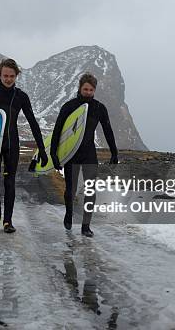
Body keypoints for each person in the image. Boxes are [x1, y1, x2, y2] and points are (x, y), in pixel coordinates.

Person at [0, 59, 48, 233]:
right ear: (0, 74)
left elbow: (33, 123)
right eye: (5, 75)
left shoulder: (21, 96)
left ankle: (8, 221)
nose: (8, 79)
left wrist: (42, 148)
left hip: (12, 144)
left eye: (11, 76)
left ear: (16, 76)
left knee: (10, 183)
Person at [51, 73, 118, 237]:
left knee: (90, 191)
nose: (88, 92)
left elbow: (107, 130)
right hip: (71, 153)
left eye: (91, 90)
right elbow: (58, 130)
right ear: (80, 88)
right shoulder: (69, 106)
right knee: (71, 189)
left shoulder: (99, 108)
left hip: (89, 153)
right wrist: (54, 154)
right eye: (85, 89)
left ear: (94, 90)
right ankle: (69, 213)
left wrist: (114, 152)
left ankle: (85, 226)